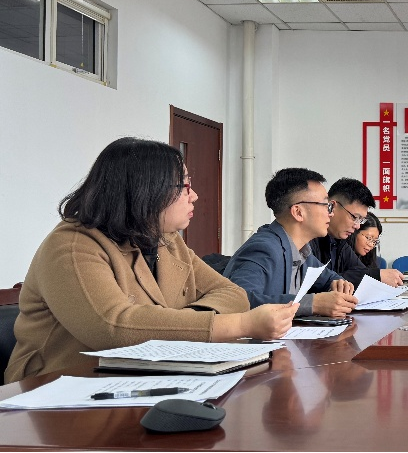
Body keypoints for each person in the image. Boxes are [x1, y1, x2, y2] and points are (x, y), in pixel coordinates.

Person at [4, 137, 297, 383]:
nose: (194, 196)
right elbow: (113, 327)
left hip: (141, 379)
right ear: (145, 192)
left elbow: (232, 293)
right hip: (56, 391)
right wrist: (241, 325)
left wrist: (183, 323)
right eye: (183, 186)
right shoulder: (72, 245)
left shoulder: (165, 240)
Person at [224, 168, 357, 318]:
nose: (331, 213)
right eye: (326, 205)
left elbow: (328, 278)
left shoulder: (301, 251)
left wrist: (339, 283)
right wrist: (313, 304)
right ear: (298, 212)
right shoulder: (263, 249)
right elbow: (238, 302)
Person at [310, 178, 403, 287]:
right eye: (355, 217)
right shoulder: (309, 237)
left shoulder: (339, 241)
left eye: (361, 220)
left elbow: (359, 270)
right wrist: (376, 275)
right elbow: (319, 281)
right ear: (332, 207)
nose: (357, 226)